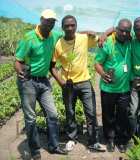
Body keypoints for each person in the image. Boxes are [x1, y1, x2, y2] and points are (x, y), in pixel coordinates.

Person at [15, 9, 67, 160]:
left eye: (52, 22)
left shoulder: (54, 35)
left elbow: (70, 35)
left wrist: (100, 34)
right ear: (41, 20)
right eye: (47, 20)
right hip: (28, 82)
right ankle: (34, 149)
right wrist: (20, 72)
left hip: (44, 82)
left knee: (52, 114)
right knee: (30, 118)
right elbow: (18, 61)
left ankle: (54, 145)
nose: (50, 24)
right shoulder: (29, 38)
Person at [50, 15, 106, 152]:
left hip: (85, 82)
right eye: (67, 26)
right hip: (68, 85)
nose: (70, 28)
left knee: (91, 112)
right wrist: (61, 82)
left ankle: (93, 141)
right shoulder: (58, 44)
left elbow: (101, 39)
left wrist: (95, 33)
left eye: (72, 25)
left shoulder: (84, 38)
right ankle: (71, 138)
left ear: (76, 26)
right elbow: (51, 66)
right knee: (70, 112)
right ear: (62, 28)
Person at [95, 18, 132, 153]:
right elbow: (97, 63)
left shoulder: (130, 42)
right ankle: (110, 138)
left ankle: (121, 140)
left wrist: (107, 31)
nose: (123, 34)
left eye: (126, 32)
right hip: (108, 88)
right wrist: (103, 74)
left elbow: (129, 32)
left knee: (123, 114)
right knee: (108, 114)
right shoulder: (107, 43)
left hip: (124, 88)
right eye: (121, 30)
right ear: (116, 30)